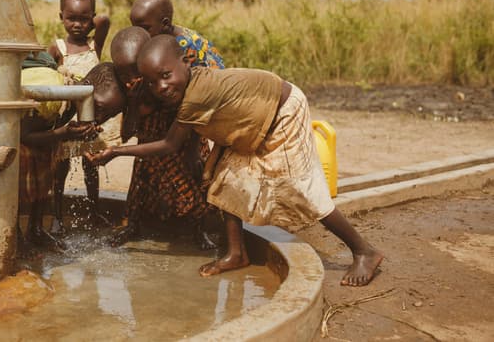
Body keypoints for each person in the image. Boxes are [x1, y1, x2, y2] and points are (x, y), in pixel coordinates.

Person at [88, 35, 384, 287]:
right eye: (153, 83)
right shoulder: (190, 86)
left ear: (188, 61)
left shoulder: (195, 97)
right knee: (225, 182)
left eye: (166, 76)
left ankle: (363, 251)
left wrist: (115, 152)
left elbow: (169, 145)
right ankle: (236, 254)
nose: (162, 87)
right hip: (256, 123)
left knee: (303, 188)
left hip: (283, 113)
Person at [108, 27, 216, 250]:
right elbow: (128, 132)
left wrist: (193, 151)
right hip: (149, 150)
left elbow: (193, 120)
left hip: (185, 143)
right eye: (125, 75)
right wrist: (135, 102)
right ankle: (133, 226)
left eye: (134, 73)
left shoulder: (167, 82)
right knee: (140, 189)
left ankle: (200, 230)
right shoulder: (136, 91)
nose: (131, 80)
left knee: (195, 185)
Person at [47, 0, 115, 233]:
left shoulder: (94, 46)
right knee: (60, 169)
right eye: (71, 18)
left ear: (91, 18)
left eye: (83, 19)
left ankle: (94, 212)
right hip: (67, 120)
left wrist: (90, 20)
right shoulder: (57, 49)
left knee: (91, 167)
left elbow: (104, 21)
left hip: (90, 120)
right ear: (61, 17)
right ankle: (57, 216)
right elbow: (46, 78)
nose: (76, 24)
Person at [19, 53, 100, 250]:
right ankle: (15, 236)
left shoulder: (73, 91)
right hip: (19, 143)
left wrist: (82, 130)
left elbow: (62, 124)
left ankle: (36, 229)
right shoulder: (45, 98)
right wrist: (62, 132)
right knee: (17, 189)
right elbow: (24, 136)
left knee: (44, 183)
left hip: (43, 139)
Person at [130, 0, 224, 69]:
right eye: (135, 28)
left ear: (165, 24)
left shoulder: (184, 47)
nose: (138, 34)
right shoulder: (164, 36)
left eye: (145, 28)